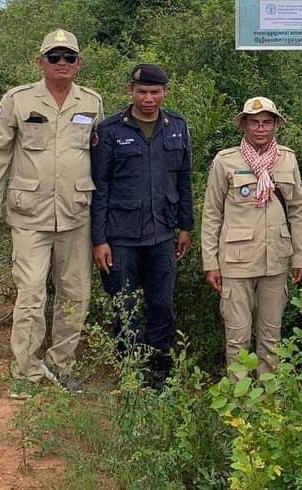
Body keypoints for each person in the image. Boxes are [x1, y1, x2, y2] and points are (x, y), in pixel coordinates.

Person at [0, 29, 103, 399]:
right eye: (54, 57)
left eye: (69, 57)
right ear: (40, 62)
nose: (62, 63)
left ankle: (61, 364)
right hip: (29, 214)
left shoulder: (92, 102)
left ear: (79, 63)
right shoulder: (18, 99)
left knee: (76, 293)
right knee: (31, 292)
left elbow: (100, 158)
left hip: (76, 213)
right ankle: (25, 370)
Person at [90, 64, 193, 389]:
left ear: (165, 92)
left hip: (162, 234)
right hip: (121, 237)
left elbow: (184, 179)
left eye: (155, 92)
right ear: (130, 91)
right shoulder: (109, 131)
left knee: (162, 306)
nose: (148, 99)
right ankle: (131, 374)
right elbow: (99, 187)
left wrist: (185, 226)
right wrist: (99, 239)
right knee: (126, 307)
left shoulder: (177, 126)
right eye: (142, 92)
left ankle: (160, 376)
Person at [201, 97, 302, 376]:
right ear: (244, 125)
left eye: (266, 122)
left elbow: (298, 210)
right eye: (254, 122)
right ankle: (239, 397)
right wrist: (210, 263)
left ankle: (269, 394)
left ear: (275, 125)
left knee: (271, 337)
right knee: (238, 337)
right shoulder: (226, 161)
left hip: (276, 261)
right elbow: (212, 214)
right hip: (236, 263)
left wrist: (301, 258)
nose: (260, 128)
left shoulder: (287, 159)